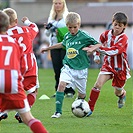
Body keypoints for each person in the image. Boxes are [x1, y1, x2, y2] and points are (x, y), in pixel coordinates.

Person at [41, 12, 101, 118]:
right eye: (70, 27)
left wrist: (92, 48)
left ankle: (79, 104)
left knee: (82, 95)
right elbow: (62, 44)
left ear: (79, 25)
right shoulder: (67, 36)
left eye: (75, 27)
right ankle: (58, 112)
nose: (72, 30)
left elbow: (99, 44)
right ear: (67, 26)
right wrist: (48, 48)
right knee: (61, 85)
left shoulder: (83, 35)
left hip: (81, 70)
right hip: (68, 67)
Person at [0, 10, 48, 133]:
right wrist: (27, 22)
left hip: (6, 73)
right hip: (25, 70)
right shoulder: (25, 31)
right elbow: (35, 28)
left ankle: (2, 111)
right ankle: (19, 114)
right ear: (15, 21)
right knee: (29, 114)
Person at [83, 12, 131, 117]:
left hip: (120, 68)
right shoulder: (105, 34)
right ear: (112, 23)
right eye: (115, 24)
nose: (117, 27)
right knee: (98, 84)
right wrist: (96, 55)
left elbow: (114, 51)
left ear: (124, 27)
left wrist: (97, 49)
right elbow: (98, 43)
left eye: (120, 25)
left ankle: (122, 95)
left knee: (117, 92)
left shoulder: (124, 38)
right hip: (108, 65)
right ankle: (89, 109)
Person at [44, 0, 75, 98]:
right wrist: (49, 28)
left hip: (64, 45)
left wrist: (58, 29)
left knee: (65, 67)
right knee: (56, 69)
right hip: (54, 44)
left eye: (59, 3)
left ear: (63, 4)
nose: (57, 5)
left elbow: (70, 29)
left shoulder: (66, 16)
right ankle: (58, 90)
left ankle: (69, 89)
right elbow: (47, 34)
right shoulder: (51, 17)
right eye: (55, 3)